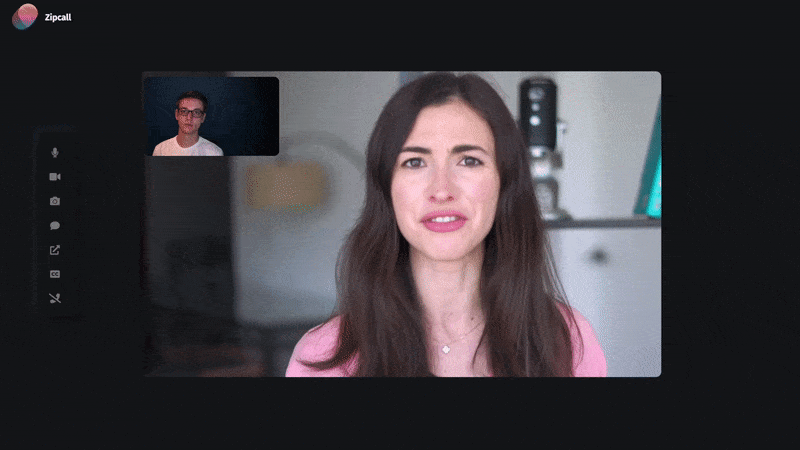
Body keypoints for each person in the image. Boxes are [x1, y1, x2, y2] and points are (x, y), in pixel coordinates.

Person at [285, 72, 606, 377]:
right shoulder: (324, 355)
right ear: (387, 188)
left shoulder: (566, 340)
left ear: (504, 182)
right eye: (415, 162)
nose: (441, 190)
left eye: (469, 160)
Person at [153, 91, 224, 156]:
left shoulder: (215, 153)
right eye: (184, 111)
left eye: (196, 112)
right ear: (177, 114)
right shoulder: (160, 150)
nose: (189, 118)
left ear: (203, 118)